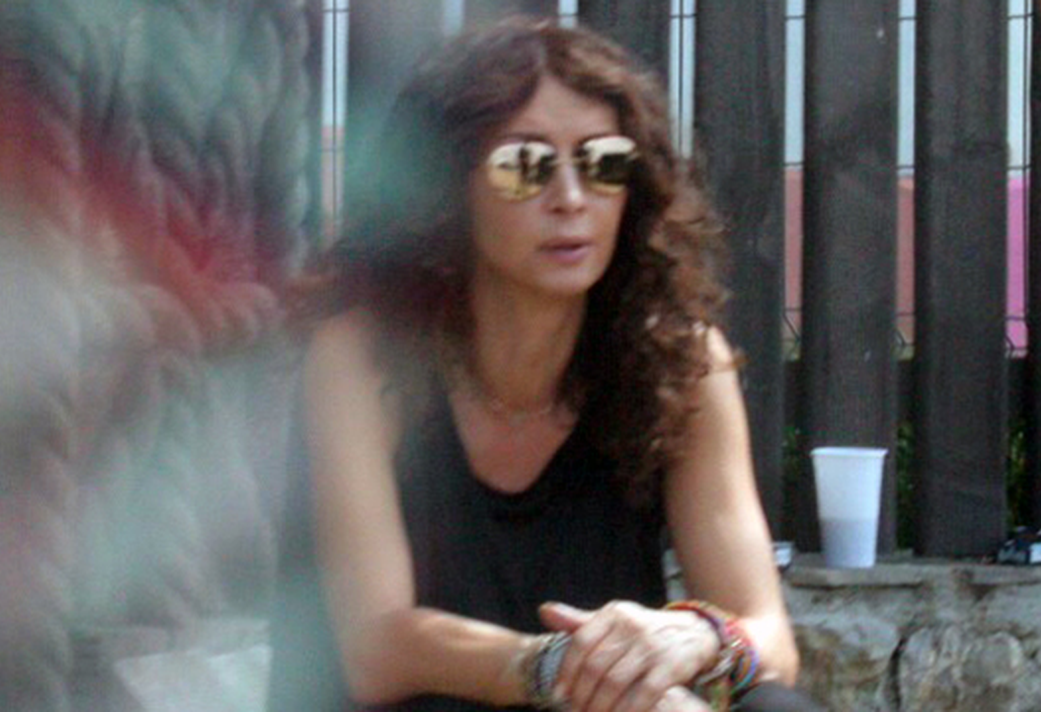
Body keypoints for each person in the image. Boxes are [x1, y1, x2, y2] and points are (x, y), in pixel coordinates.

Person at [279, 17, 814, 712]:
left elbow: (772, 640)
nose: (570, 197)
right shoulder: (363, 357)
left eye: (603, 163)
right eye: (525, 166)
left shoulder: (681, 359)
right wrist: (563, 669)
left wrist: (700, 639)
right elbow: (375, 650)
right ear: (449, 189)